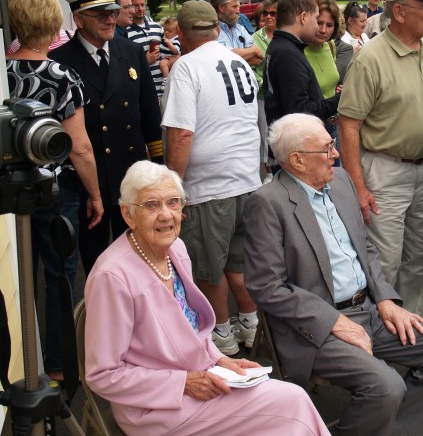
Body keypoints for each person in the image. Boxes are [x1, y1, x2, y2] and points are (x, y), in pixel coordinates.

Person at [243, 113, 423, 436]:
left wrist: (387, 298)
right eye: (326, 148)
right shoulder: (267, 203)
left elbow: (366, 250)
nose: (335, 153)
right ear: (297, 161)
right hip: (315, 328)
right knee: (386, 387)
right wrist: (333, 321)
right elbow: (267, 287)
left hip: (369, 310)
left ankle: (398, 430)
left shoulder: (342, 181)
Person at [84, 160, 331, 436]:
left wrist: (219, 360)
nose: (166, 215)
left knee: (285, 415)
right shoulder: (112, 276)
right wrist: (182, 383)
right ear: (128, 215)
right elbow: (103, 375)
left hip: (202, 379)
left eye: (174, 202)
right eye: (152, 205)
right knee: (291, 404)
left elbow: (192, 331)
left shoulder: (175, 249)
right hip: (156, 407)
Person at [338, 0, 423, 316]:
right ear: (399, 12)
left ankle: (412, 337)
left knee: (422, 258)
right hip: (385, 173)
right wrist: (357, 186)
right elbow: (348, 126)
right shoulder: (370, 58)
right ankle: (379, 356)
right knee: (385, 265)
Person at [6, 0, 104, 382]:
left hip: (10, 189)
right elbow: (79, 147)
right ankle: (58, 364)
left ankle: (22, 361)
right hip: (54, 189)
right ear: (54, 24)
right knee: (59, 275)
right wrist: (96, 194)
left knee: (18, 277)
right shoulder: (62, 75)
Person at [162, 0, 261, 355]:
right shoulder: (239, 61)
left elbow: (181, 134)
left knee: (207, 266)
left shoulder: (186, 67)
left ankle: (220, 333)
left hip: (209, 185)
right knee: (239, 260)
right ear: (217, 29)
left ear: (183, 34)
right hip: (246, 177)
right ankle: (249, 322)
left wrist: (171, 187)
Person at [49, 0, 162, 275]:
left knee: (142, 255)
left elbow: (149, 111)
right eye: (100, 14)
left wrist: (159, 167)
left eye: (112, 12)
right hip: (91, 181)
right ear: (78, 19)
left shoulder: (131, 51)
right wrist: (89, 187)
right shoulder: (60, 61)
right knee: (98, 263)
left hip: (131, 174)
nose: (110, 20)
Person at [263, 0, 339, 135]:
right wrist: (340, 100)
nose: (318, 27)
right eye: (316, 19)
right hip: (300, 145)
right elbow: (300, 111)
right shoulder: (288, 53)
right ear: (303, 17)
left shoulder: (282, 47)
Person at [304, 0, 343, 162]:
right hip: (311, 128)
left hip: (333, 125)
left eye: (329, 25)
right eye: (319, 23)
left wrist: (337, 90)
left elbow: (328, 81)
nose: (323, 30)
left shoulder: (330, 46)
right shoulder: (299, 50)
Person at [252, 0, 281, 183]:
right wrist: (263, 82)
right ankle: (269, 171)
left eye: (273, 13)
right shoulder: (255, 38)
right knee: (265, 133)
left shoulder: (286, 35)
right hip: (263, 94)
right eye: (266, 13)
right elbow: (251, 68)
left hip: (283, 94)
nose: (268, 17)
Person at [127, 0, 167, 97]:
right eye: (136, 5)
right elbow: (125, 65)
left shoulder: (157, 28)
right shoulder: (126, 33)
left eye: (142, 5)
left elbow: (169, 52)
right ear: (130, 7)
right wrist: (144, 61)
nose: (140, 9)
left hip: (163, 88)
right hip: (142, 91)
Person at [210, 0, 263, 66]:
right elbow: (224, 57)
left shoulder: (240, 29)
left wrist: (235, 57)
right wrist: (253, 50)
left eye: (238, 7)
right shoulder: (211, 31)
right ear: (221, 8)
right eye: (234, 7)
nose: (238, 11)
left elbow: (257, 59)